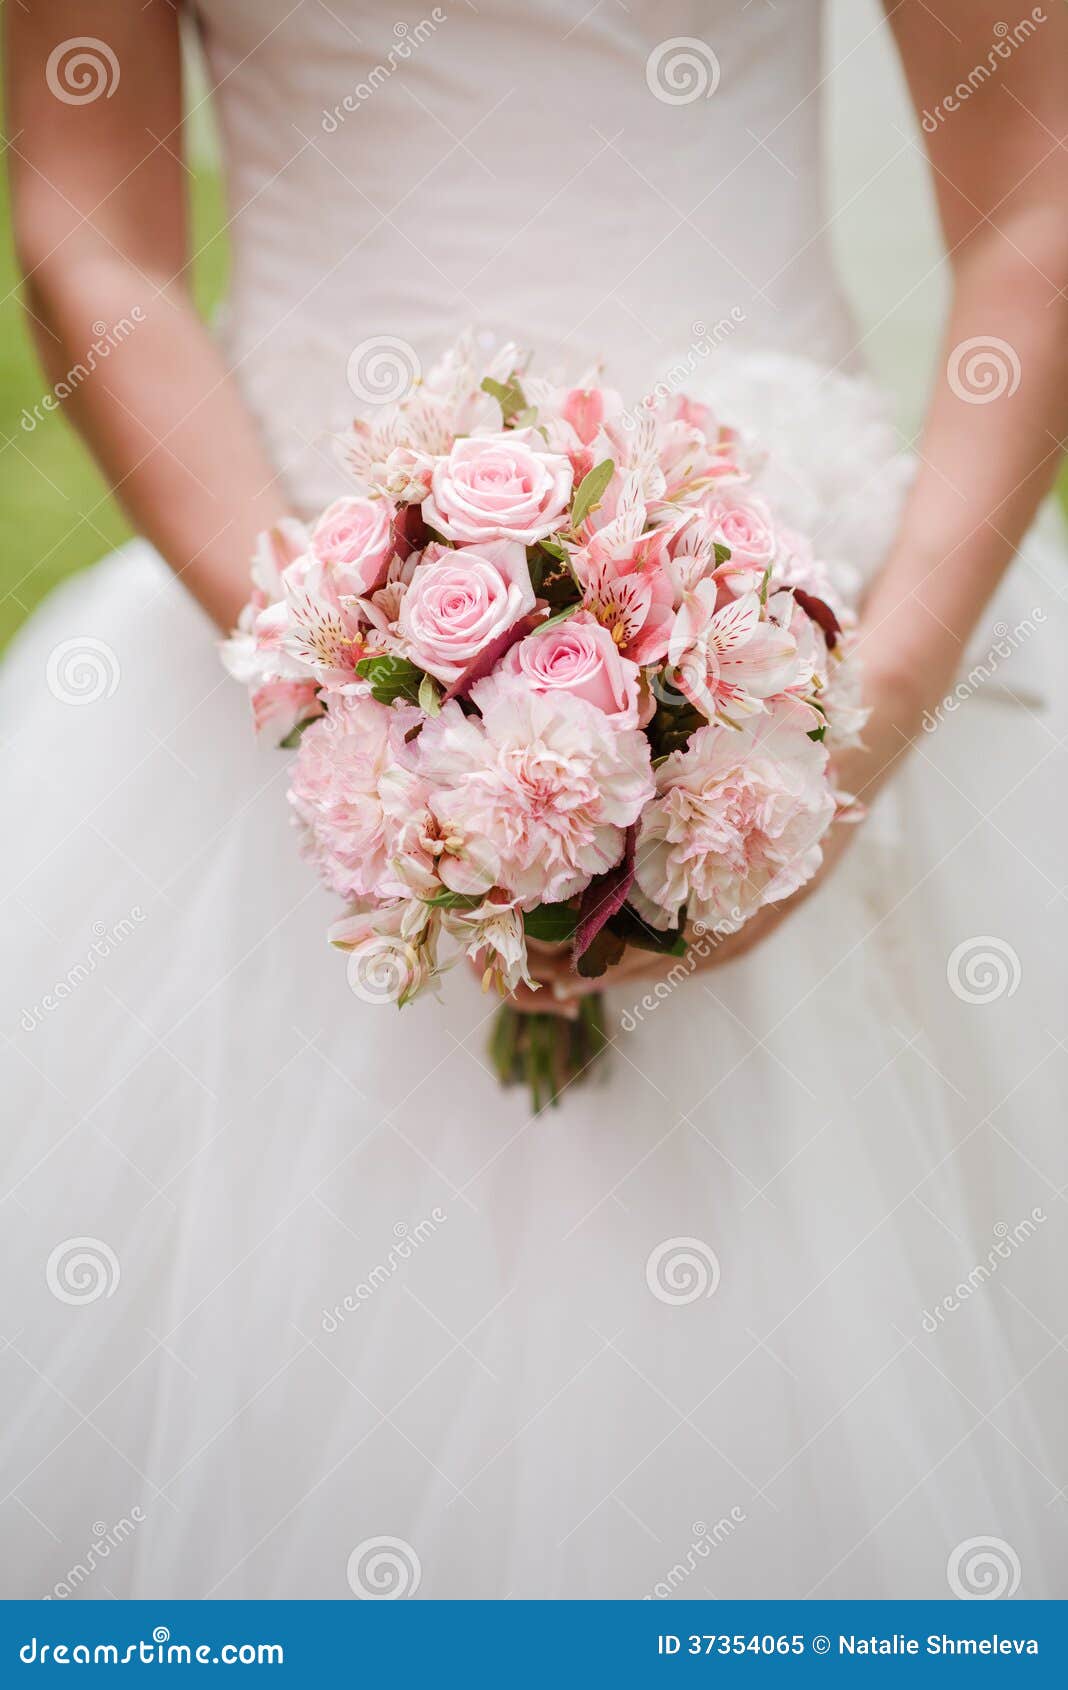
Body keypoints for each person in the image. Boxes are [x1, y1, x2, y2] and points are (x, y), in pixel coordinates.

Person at [2, 0, 1066, 1599]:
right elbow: (92, 220)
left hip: (825, 633)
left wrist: (846, 741)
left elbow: (1036, 198)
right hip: (281, 629)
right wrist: (352, 663)